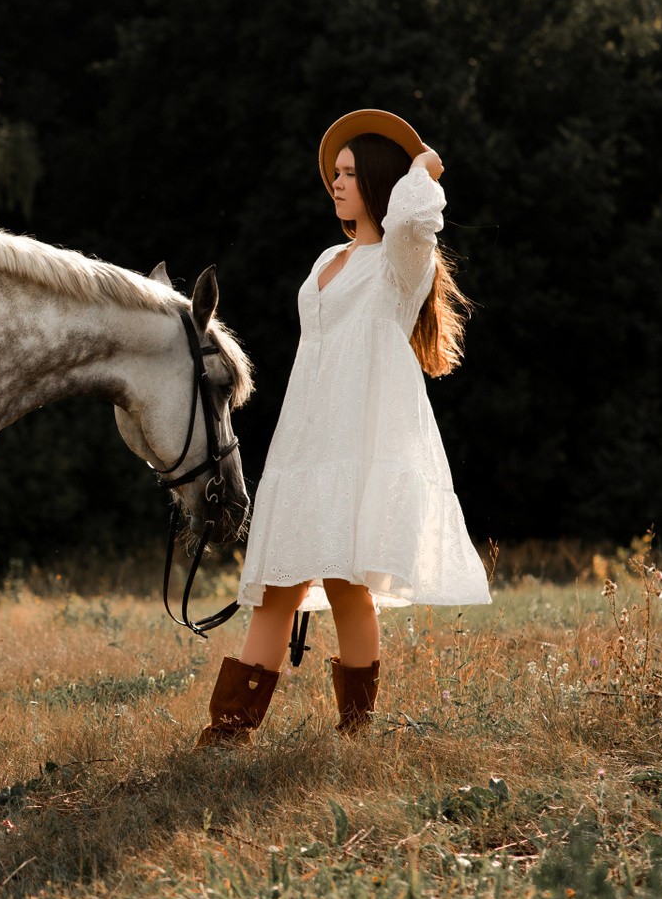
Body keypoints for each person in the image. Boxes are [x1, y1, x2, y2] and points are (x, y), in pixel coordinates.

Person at [197, 109, 492, 746]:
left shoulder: (401, 261)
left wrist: (424, 165)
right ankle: (229, 731)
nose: (336, 182)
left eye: (351, 173)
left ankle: (357, 730)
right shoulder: (329, 257)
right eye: (334, 172)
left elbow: (411, 219)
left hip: (359, 442)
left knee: (347, 586)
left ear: (381, 181)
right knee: (277, 587)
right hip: (306, 440)